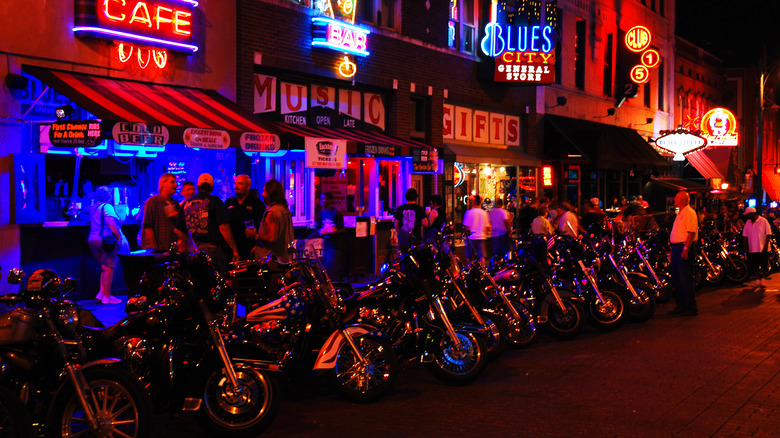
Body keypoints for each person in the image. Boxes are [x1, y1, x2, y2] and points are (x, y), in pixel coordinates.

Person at [179, 173, 240, 272]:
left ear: (198, 186)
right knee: (214, 282)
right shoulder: (215, 201)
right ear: (212, 187)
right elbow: (224, 227)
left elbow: (178, 230)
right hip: (211, 250)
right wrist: (234, 249)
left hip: (192, 250)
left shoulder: (186, 204)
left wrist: (190, 243)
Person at [87, 186, 130, 304]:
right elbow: (111, 224)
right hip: (105, 239)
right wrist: (119, 238)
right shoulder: (108, 207)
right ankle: (107, 296)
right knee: (109, 268)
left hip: (93, 239)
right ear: (109, 196)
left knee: (104, 267)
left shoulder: (95, 208)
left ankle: (101, 293)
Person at [250, 179, 295, 263]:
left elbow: (271, 238)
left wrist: (255, 235)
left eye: (264, 191)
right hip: (284, 258)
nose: (262, 194)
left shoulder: (272, 213)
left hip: (271, 262)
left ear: (271, 194)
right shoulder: (284, 210)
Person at [669, 191, 698, 316]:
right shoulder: (680, 213)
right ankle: (681, 305)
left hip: (683, 247)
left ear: (682, 200)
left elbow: (691, 233)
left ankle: (690, 307)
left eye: (676, 198)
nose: (674, 200)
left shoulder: (689, 213)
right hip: (677, 248)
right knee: (676, 278)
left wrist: (686, 249)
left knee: (685, 278)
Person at [140, 173, 188, 251]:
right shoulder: (153, 202)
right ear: (163, 184)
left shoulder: (175, 204)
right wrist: (155, 249)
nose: (175, 185)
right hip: (155, 250)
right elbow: (148, 227)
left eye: (176, 182)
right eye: (172, 182)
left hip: (170, 250)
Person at [226, 175, 265, 260]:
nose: (236, 186)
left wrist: (257, 246)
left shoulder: (257, 204)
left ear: (248, 186)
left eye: (240, 183)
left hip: (249, 248)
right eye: (235, 183)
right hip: (231, 249)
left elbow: (264, 227)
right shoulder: (229, 202)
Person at [315, 192, 345, 279]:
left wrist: (334, 231)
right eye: (321, 199)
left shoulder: (336, 213)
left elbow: (342, 229)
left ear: (330, 200)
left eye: (324, 199)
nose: (322, 201)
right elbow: (318, 229)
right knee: (326, 268)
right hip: (326, 245)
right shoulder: (320, 214)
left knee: (333, 269)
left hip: (335, 245)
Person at [743, 207, 772, 287]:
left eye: (748, 215)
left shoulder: (763, 221)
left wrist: (766, 245)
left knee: (763, 264)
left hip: (762, 247)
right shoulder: (748, 222)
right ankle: (757, 280)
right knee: (754, 265)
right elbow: (745, 235)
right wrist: (745, 246)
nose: (747, 216)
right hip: (752, 247)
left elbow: (768, 234)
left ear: (752, 214)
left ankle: (763, 279)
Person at [462, 195, 491, 264]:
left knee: (468, 256)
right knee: (481, 256)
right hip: (481, 237)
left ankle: (468, 271)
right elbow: (487, 227)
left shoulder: (469, 212)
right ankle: (482, 272)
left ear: (474, 202)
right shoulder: (484, 213)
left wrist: (465, 237)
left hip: (471, 237)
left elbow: (466, 227)